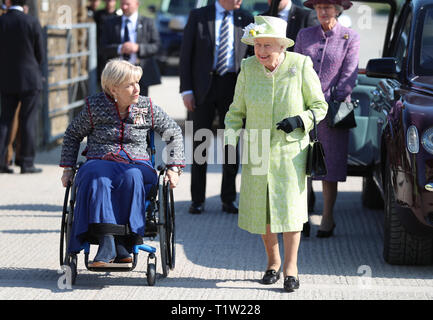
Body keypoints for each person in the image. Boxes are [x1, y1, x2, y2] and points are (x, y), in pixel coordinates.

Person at [224, 16, 327, 292]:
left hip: (290, 152)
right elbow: (236, 110)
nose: (261, 51)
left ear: (282, 46)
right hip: (257, 149)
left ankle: (291, 268)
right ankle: (272, 262)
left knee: (291, 211)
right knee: (263, 211)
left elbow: (320, 106)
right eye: (257, 44)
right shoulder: (248, 67)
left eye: (267, 45)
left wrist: (300, 121)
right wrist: (230, 140)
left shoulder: (300, 65)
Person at [60, 59, 185, 267]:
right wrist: (68, 169)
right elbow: (72, 134)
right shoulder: (95, 106)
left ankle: (124, 242)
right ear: (113, 88)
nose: (137, 88)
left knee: (132, 175)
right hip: (100, 159)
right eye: (130, 84)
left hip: (137, 163)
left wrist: (174, 167)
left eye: (137, 83)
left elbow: (174, 132)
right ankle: (107, 243)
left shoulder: (146, 107)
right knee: (95, 176)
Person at [179, 0, 254, 215]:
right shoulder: (199, 16)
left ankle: (228, 199)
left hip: (233, 88)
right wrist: (186, 90)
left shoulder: (246, 19)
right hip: (203, 89)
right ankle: (197, 199)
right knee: (200, 142)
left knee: (231, 144)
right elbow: (186, 55)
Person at [294, 0, 360, 238]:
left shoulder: (350, 37)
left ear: (338, 10)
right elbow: (295, 68)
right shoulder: (304, 35)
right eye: (319, 7)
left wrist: (333, 101)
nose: (323, 11)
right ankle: (301, 216)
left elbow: (349, 74)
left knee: (329, 167)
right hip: (304, 109)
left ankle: (328, 217)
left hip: (333, 110)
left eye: (328, 7)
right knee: (302, 165)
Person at [0, 0, 44, 174]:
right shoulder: (31, 21)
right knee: (28, 121)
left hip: (6, 79)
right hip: (30, 78)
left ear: (9, 2)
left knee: (5, 120)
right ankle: (26, 162)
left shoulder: (2, 21)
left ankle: (2, 162)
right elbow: (40, 52)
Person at [101, 0, 161, 96]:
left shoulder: (148, 23)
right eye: (122, 4)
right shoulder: (110, 23)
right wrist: (120, 48)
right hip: (117, 74)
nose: (124, 7)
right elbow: (103, 47)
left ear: (136, 4)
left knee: (139, 107)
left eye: (127, 4)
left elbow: (156, 46)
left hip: (140, 74)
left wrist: (138, 48)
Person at [93, 0, 119, 81]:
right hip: (100, 45)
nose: (109, 3)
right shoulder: (99, 14)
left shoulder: (118, 14)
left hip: (113, 47)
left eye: (111, 1)